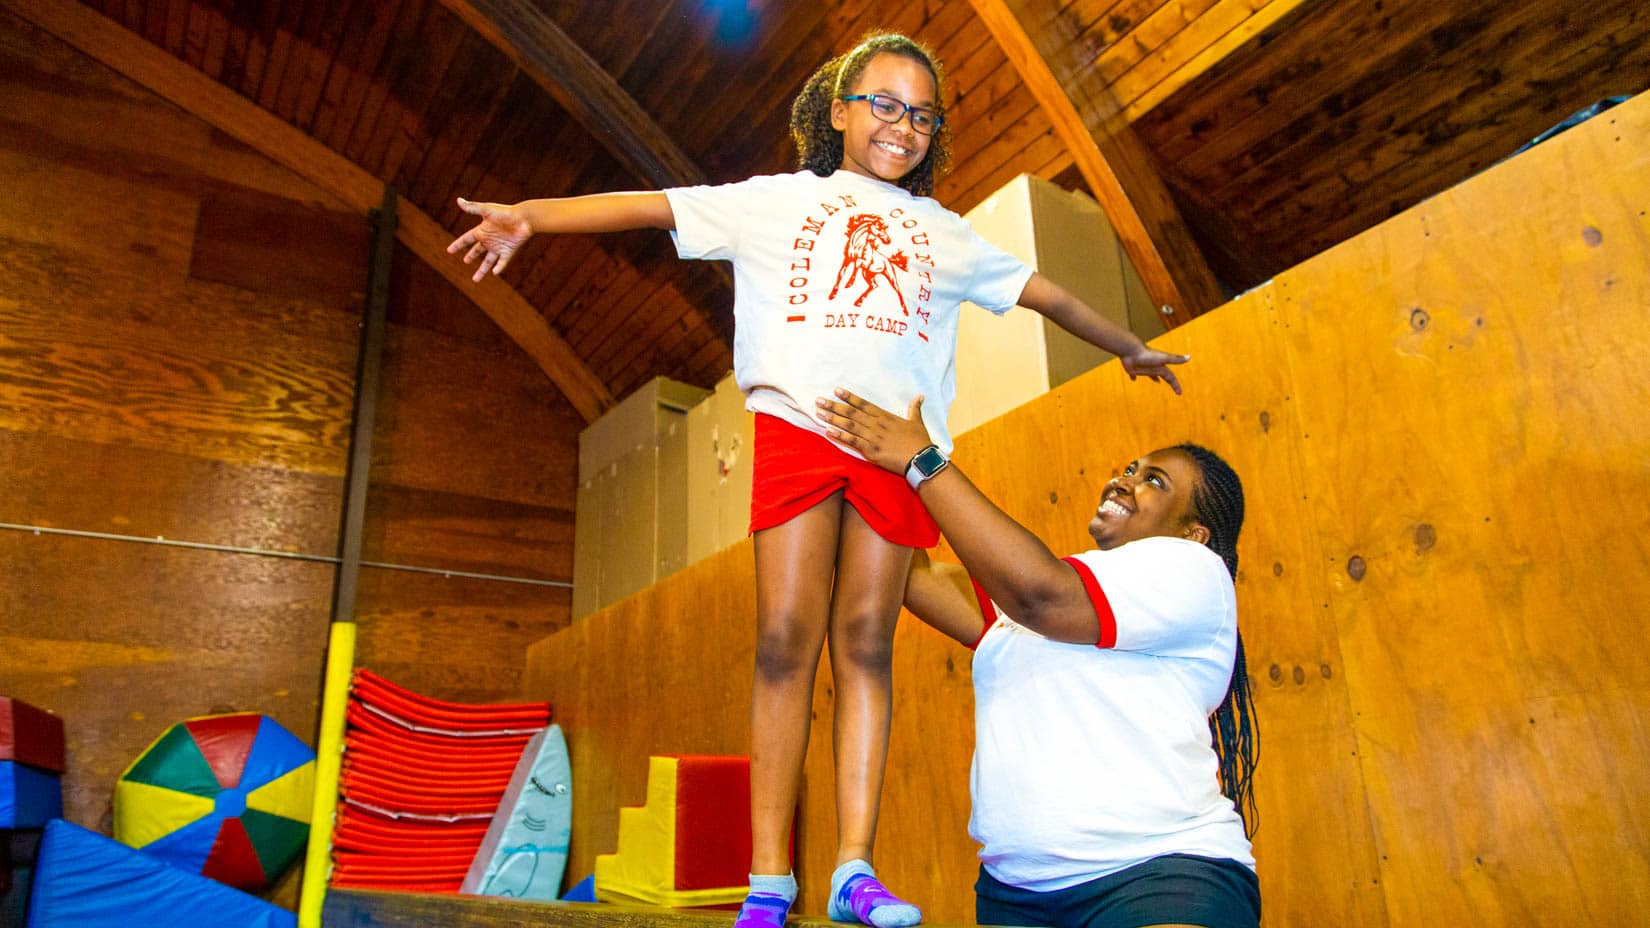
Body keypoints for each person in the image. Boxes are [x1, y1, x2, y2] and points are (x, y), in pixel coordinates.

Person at [445, 33, 1190, 928]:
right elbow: (649, 205)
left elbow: (1045, 296)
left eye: (921, 115)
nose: (901, 126)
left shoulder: (943, 233)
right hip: (801, 429)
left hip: (894, 445)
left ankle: (854, 869)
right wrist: (530, 214)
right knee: (784, 640)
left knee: (866, 642)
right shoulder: (776, 203)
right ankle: (768, 879)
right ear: (839, 110)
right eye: (883, 104)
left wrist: (1127, 346)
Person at [813, 388, 1260, 928]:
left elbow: (1042, 595)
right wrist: (857, 460)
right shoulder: (1046, 594)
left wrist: (921, 462)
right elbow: (912, 575)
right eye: (1130, 469)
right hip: (1015, 896)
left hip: (1158, 880)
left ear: (1196, 532)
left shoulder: (1195, 572)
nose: (1125, 481)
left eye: (1153, 481)